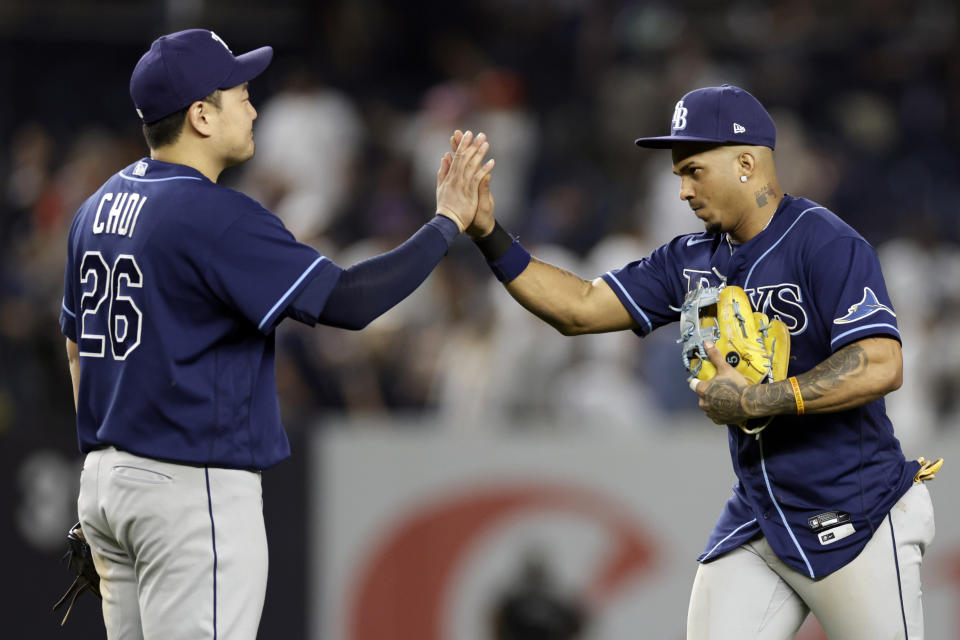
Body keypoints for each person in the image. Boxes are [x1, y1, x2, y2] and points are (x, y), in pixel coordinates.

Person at [58, 29, 493, 639]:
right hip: (188, 491)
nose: (254, 107)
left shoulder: (96, 206)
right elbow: (348, 301)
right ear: (201, 116)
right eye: (240, 93)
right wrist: (446, 223)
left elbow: (77, 346)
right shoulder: (215, 215)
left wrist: (108, 465)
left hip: (106, 487)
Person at [463, 85, 937, 638]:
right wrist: (488, 234)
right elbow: (579, 308)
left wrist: (756, 399)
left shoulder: (825, 242)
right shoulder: (690, 259)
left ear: (744, 162)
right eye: (678, 175)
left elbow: (882, 363)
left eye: (693, 170)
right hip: (762, 515)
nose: (683, 190)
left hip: (856, 514)